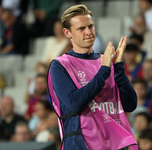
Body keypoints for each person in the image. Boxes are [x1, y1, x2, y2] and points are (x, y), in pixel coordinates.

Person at [48, 4, 138, 150]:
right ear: (67, 33)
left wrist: (119, 69)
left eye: (91, 26)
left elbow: (130, 105)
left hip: (115, 144)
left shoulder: (106, 62)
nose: (88, 32)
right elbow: (75, 103)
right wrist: (104, 71)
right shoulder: (60, 65)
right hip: (81, 144)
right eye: (81, 29)